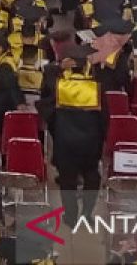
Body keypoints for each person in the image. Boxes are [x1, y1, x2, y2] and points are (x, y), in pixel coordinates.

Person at [39, 44, 104, 227]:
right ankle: (87, 214)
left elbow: (48, 110)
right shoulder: (96, 88)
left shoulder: (59, 86)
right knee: (92, 178)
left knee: (67, 181)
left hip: (65, 143)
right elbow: (104, 119)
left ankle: (70, 216)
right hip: (90, 144)